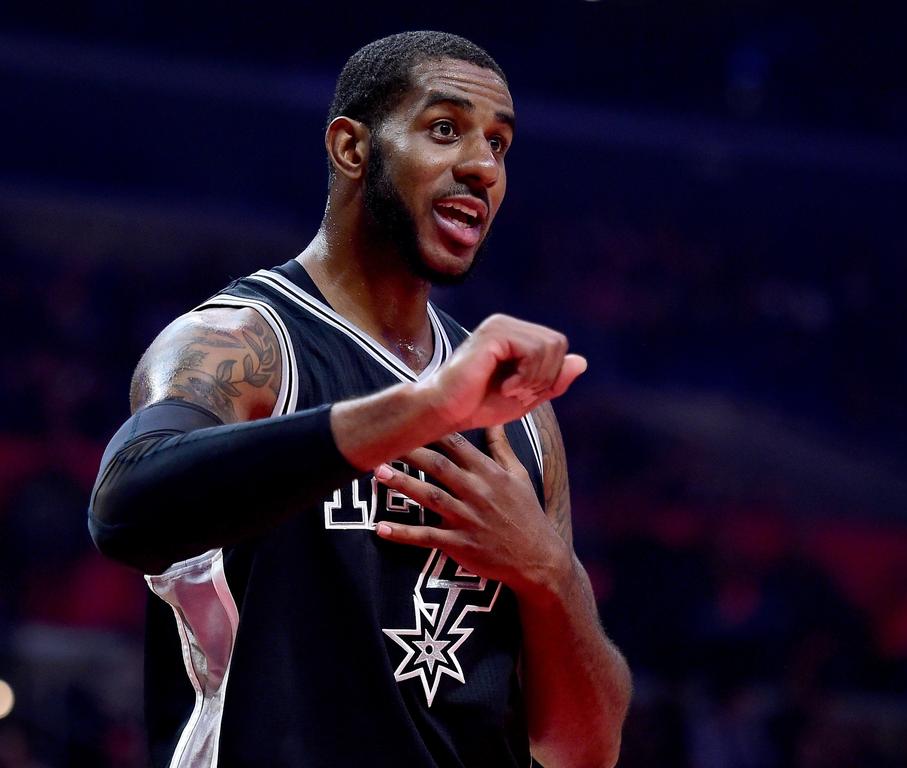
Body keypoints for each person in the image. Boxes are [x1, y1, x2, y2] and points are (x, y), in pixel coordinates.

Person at [89, 31, 631, 768]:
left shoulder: (523, 419)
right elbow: (124, 508)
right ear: (352, 148)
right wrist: (424, 409)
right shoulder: (247, 344)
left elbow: (583, 749)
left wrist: (551, 574)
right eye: (446, 129)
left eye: (500, 145)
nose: (482, 166)